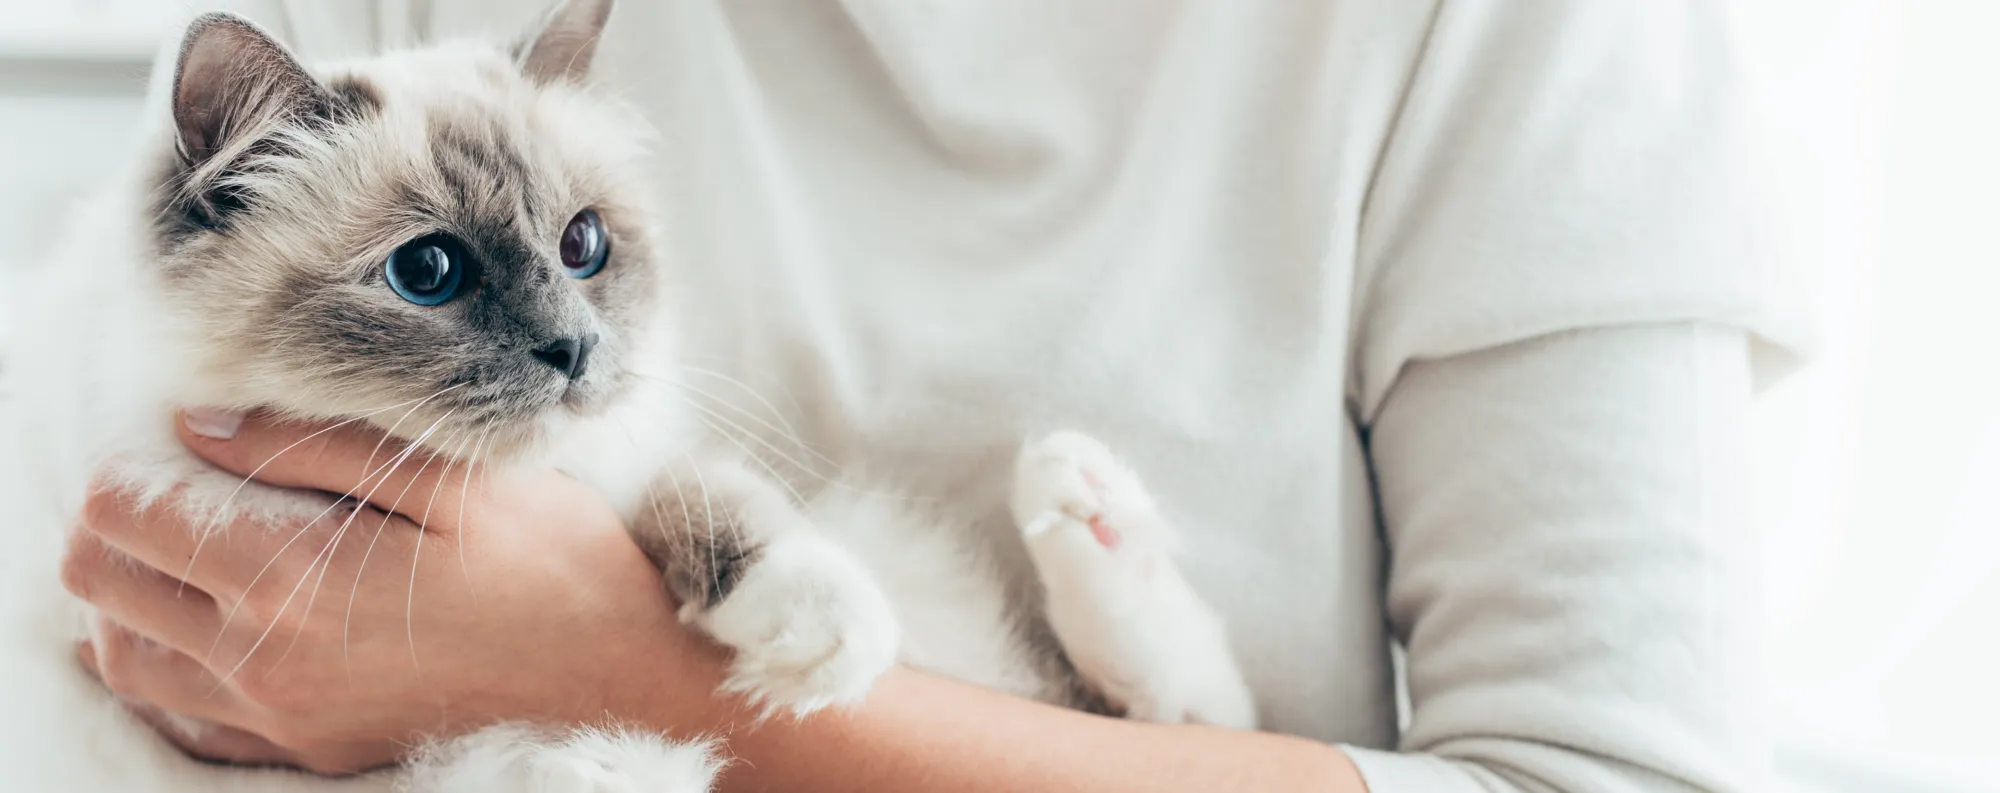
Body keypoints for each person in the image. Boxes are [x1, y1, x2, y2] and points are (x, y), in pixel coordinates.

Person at [58, 1, 1806, 791]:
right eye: (447, 276)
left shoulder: (1534, 35)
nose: (570, 337)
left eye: (585, 255)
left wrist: (608, 662)